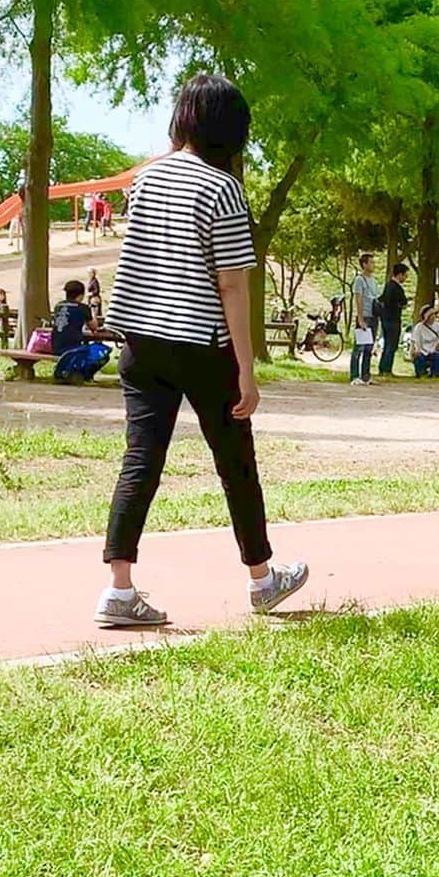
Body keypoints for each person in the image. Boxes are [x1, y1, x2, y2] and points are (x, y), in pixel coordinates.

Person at [98, 72, 308, 628]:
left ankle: (119, 589)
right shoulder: (222, 187)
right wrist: (246, 370)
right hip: (201, 342)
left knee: (140, 460)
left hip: (140, 343)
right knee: (235, 461)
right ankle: (263, 578)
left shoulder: (145, 179)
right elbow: (232, 284)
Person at [350, 252, 380, 385]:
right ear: (364, 264)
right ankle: (354, 375)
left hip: (374, 316)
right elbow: (359, 299)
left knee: (369, 347)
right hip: (365, 316)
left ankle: (366, 375)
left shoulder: (373, 281)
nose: (373, 265)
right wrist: (360, 318)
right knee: (359, 347)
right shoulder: (359, 280)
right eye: (371, 262)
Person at [378, 261, 409, 377]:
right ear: (399, 274)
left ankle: (383, 367)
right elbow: (403, 302)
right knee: (391, 345)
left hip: (386, 319)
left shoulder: (388, 286)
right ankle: (386, 369)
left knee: (388, 344)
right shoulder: (396, 288)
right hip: (393, 320)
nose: (405, 278)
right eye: (405, 275)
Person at [52, 279, 98, 356]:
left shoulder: (58, 306)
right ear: (81, 295)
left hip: (56, 348)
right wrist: (93, 310)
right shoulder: (83, 308)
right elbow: (94, 327)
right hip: (73, 349)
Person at [410, 303, 439, 378]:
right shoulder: (419, 327)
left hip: (434, 350)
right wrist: (417, 350)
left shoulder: (438, 326)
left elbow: (438, 338)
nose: (433, 317)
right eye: (431, 315)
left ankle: (435, 374)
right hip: (422, 350)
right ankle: (421, 373)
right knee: (419, 357)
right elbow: (416, 341)